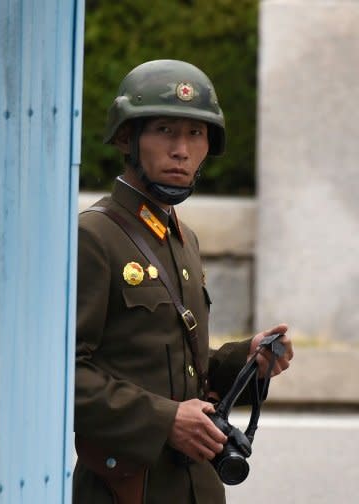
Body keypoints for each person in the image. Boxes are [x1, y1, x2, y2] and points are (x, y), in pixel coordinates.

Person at [73, 59, 294, 503]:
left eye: (196, 134)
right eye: (165, 131)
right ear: (126, 139)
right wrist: (164, 420)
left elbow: (177, 367)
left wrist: (244, 360)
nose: (182, 149)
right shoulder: (93, 236)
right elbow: (61, 375)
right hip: (126, 490)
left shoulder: (182, 237)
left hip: (198, 487)